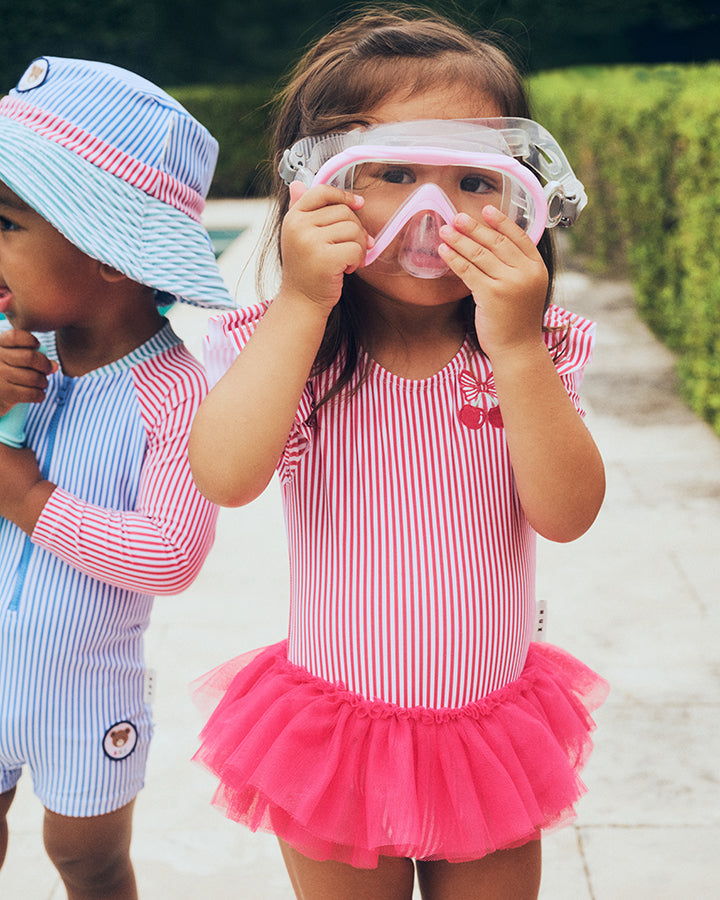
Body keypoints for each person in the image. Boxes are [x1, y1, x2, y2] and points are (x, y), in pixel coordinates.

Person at [189, 8, 608, 899]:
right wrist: (302, 303)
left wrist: (520, 349)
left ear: (522, 193)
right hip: (334, 735)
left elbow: (568, 516)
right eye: (392, 173)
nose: (435, 212)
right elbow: (224, 477)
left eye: (471, 179)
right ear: (320, 188)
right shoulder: (293, 351)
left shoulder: (533, 349)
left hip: (486, 731)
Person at [0, 56, 234, 899]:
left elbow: (170, 555)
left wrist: (27, 499)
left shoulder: (173, 395)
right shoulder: (11, 348)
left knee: (87, 860)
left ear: (108, 250)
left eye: (8, 224)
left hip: (85, 683)